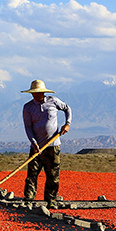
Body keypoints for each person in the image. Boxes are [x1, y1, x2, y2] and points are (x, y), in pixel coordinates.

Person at [21, 79, 71, 208]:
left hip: (53, 146)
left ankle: (51, 200)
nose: (36, 95)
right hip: (36, 147)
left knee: (53, 174)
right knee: (32, 174)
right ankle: (29, 199)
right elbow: (28, 127)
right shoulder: (28, 107)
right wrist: (33, 143)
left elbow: (67, 108)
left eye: (38, 92)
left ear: (43, 92)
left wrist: (67, 124)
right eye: (33, 93)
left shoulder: (53, 101)